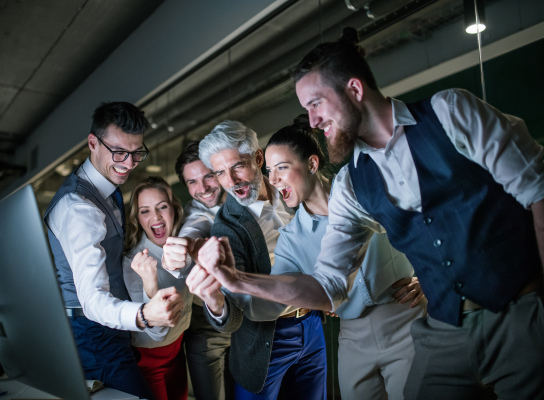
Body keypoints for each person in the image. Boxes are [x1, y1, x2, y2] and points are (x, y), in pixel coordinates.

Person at [195, 27, 544, 400]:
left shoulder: (450, 111)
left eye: (316, 104)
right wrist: (235, 281)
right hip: (445, 328)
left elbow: (537, 190)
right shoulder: (351, 185)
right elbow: (328, 286)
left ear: (354, 91)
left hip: (520, 311)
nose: (311, 121)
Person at [263, 117, 426, 399]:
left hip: (405, 317)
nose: (273, 179)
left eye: (281, 168)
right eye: (268, 171)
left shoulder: (364, 187)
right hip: (351, 336)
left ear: (312, 165)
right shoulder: (291, 237)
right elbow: (277, 295)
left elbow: (424, 223)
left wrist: (427, 278)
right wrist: (232, 282)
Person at [44, 101, 183, 398]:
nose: (129, 163)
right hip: (92, 331)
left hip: (113, 330)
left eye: (137, 153)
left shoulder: (110, 187)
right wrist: (145, 314)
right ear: (93, 143)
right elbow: (92, 300)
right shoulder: (79, 209)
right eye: (119, 152)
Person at [188, 120, 328, 400]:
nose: (231, 181)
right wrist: (215, 302)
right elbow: (234, 316)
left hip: (312, 325)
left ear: (259, 158)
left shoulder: (295, 191)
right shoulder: (226, 228)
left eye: (237, 166)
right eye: (220, 173)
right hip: (265, 340)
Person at [123, 176, 193, 400]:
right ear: (138, 219)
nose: (156, 217)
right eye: (145, 211)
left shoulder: (186, 244)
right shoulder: (133, 263)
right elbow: (157, 331)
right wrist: (150, 283)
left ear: (174, 209)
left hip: (177, 351)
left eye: (162, 207)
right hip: (148, 359)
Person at [174, 141, 233, 400]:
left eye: (208, 176)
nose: (203, 188)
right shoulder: (194, 213)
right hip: (206, 325)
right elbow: (194, 227)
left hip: (248, 320)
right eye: (192, 182)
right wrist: (183, 249)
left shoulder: (243, 202)